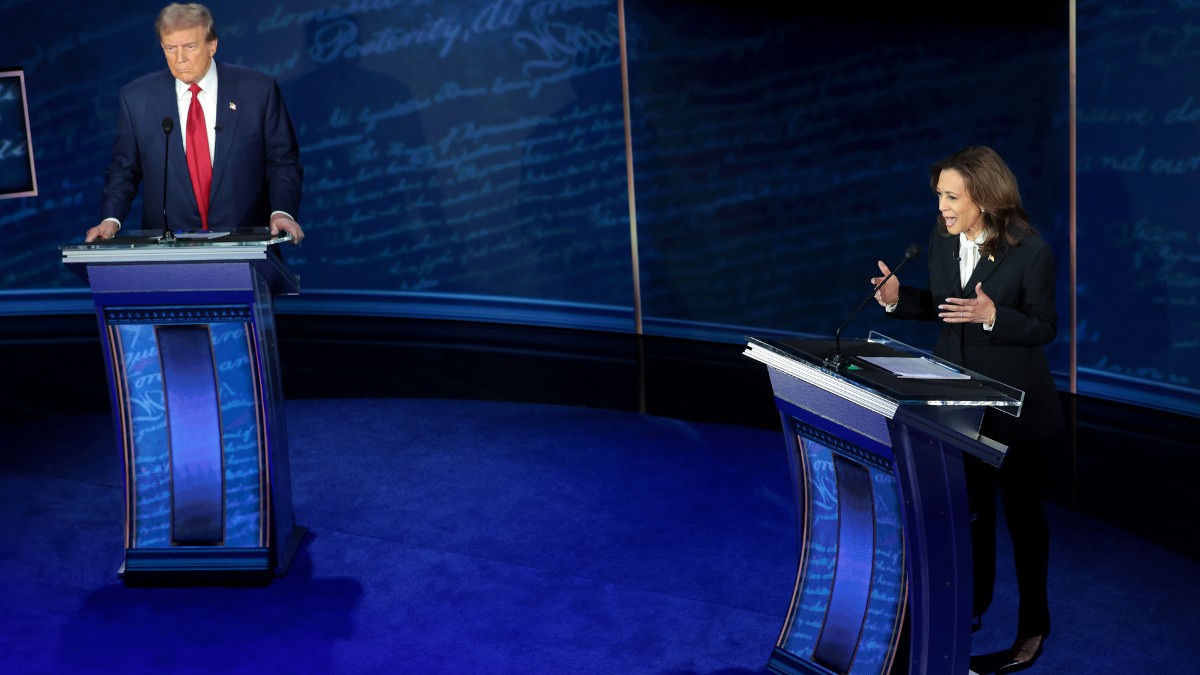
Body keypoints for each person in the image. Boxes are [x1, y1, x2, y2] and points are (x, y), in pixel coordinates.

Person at [871, 146, 1063, 674]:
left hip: (1015, 410)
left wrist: (995, 315)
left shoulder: (1031, 251)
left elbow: (1045, 327)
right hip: (956, 402)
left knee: (1024, 521)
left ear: (984, 196)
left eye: (952, 197)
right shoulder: (942, 238)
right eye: (940, 197)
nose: (943, 209)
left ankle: (1033, 628)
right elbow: (943, 303)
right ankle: (970, 609)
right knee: (968, 512)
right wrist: (896, 299)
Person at [85, 3, 304, 244]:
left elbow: (282, 161)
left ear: (212, 45)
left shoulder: (257, 90)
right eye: (170, 48)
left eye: (189, 47)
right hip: (168, 252)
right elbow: (124, 170)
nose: (180, 59)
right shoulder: (136, 98)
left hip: (246, 245)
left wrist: (282, 212)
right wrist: (110, 220)